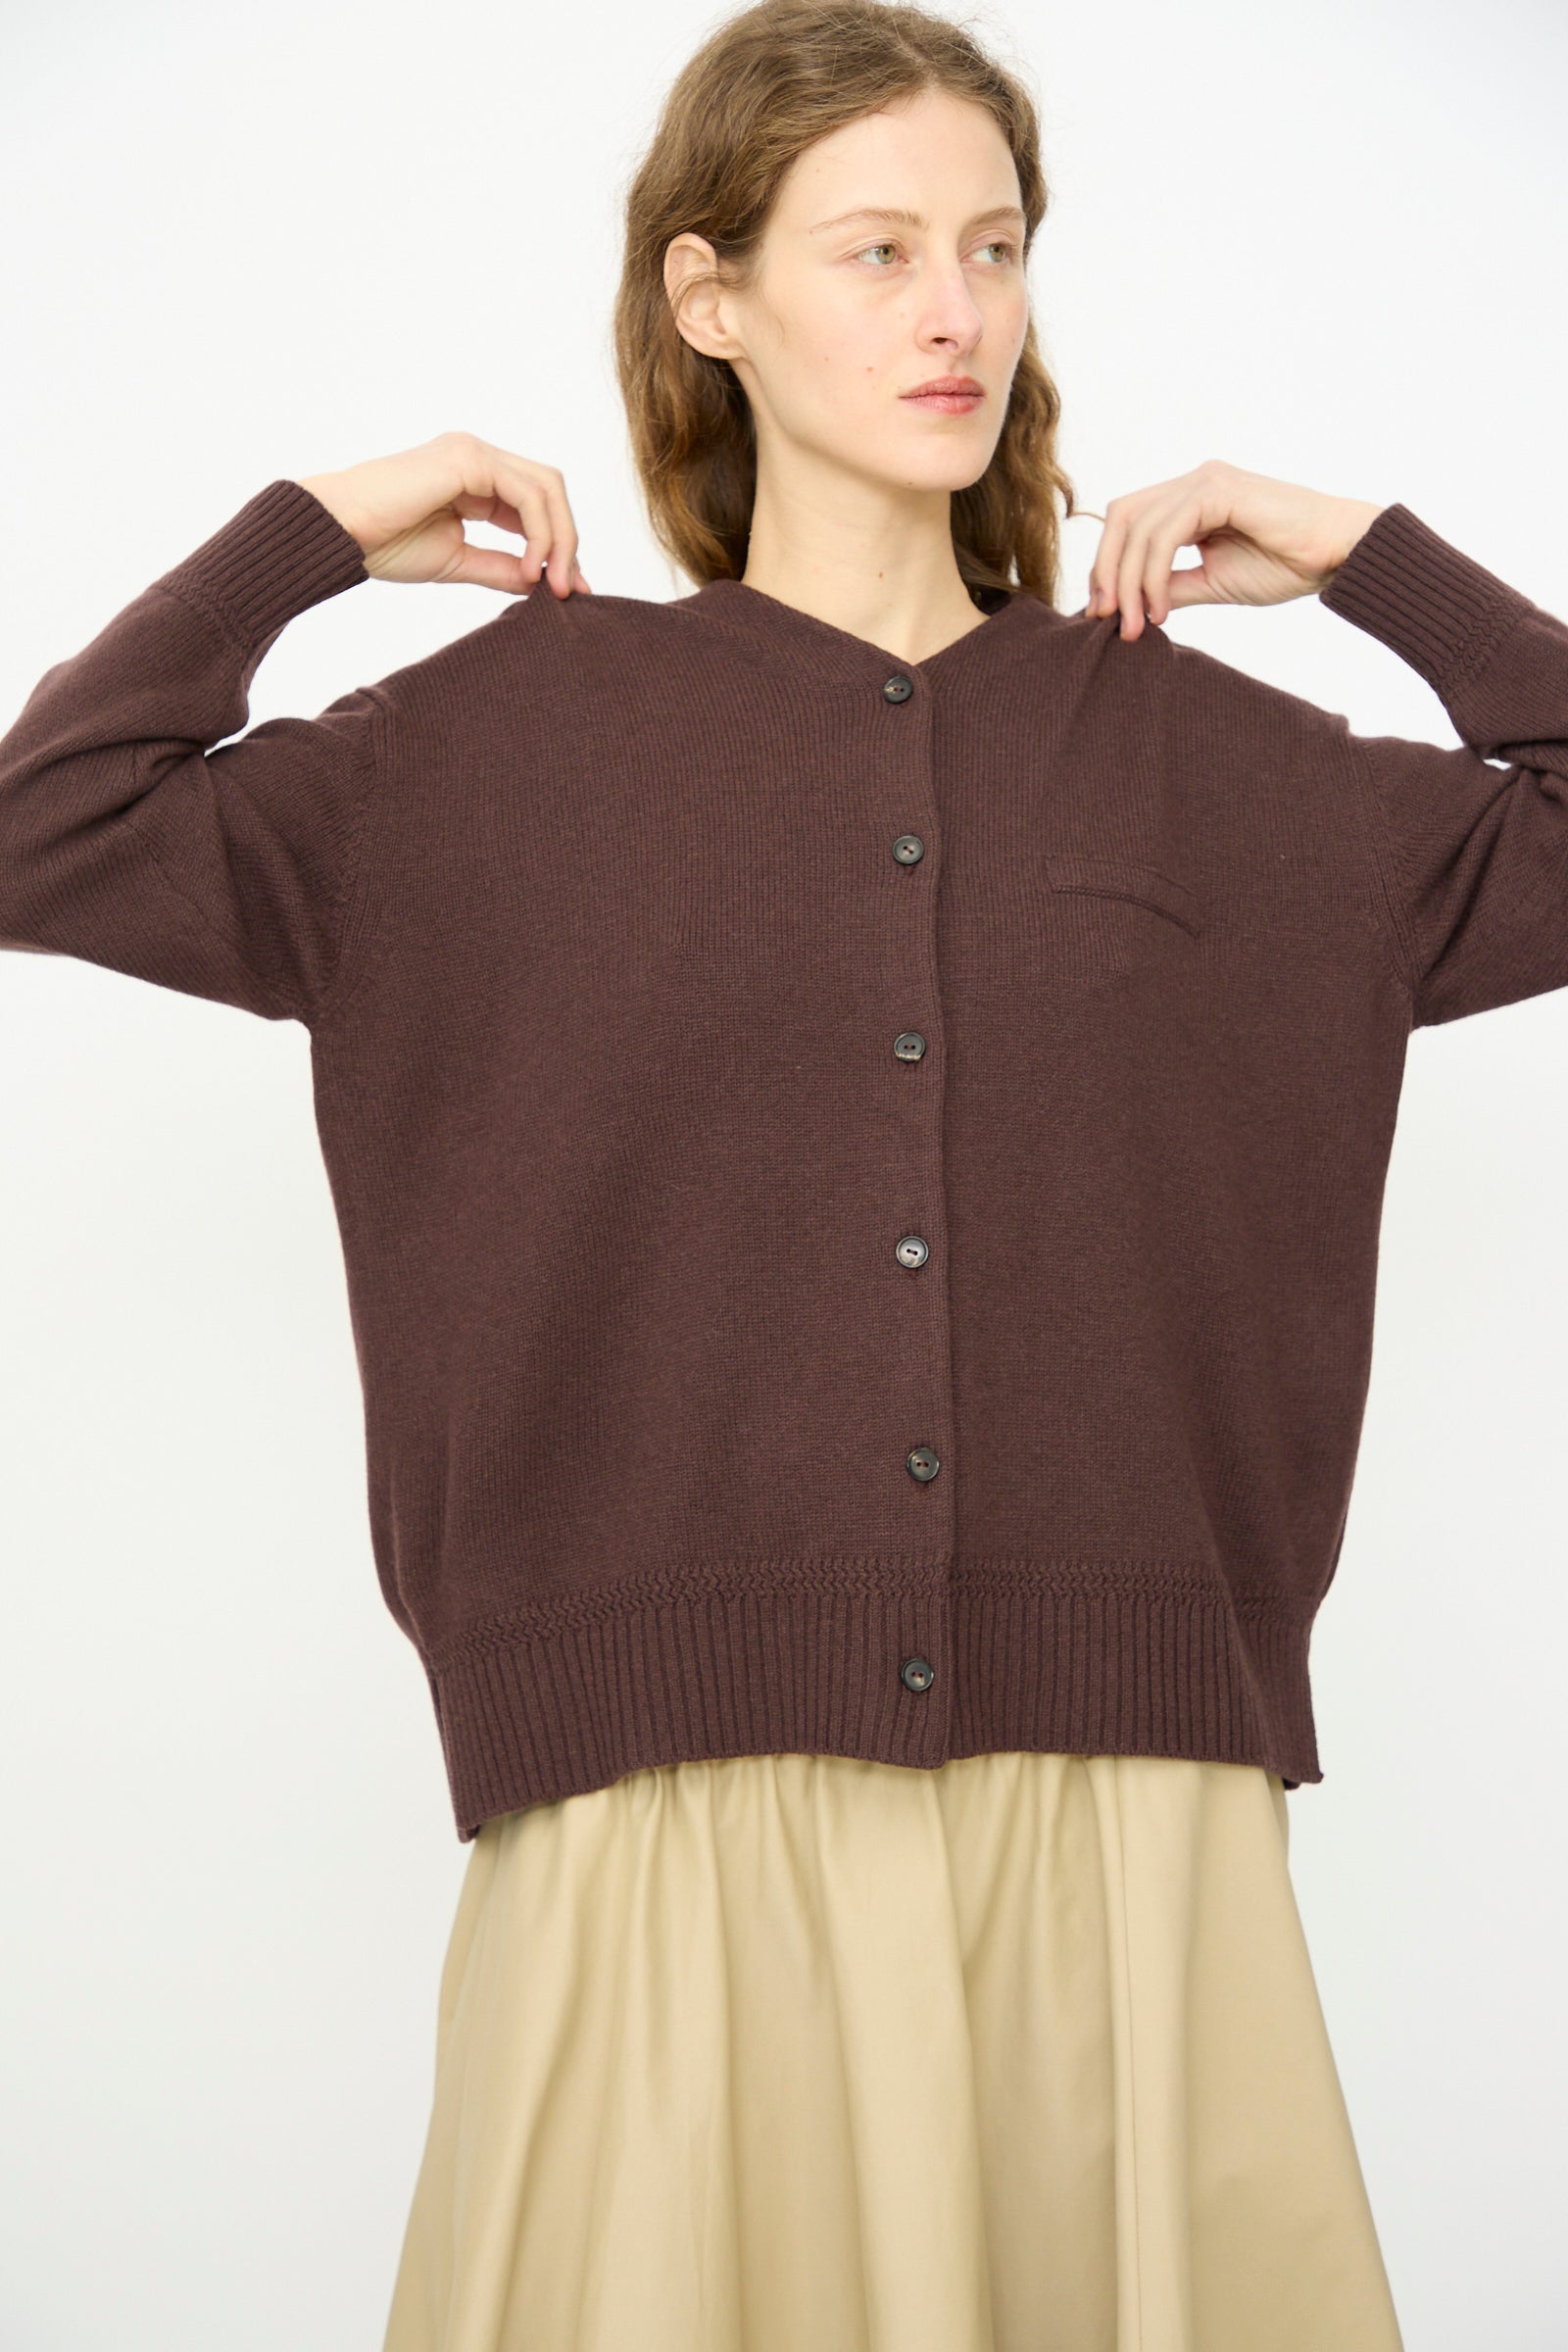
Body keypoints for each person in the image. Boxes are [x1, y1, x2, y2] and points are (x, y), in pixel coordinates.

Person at [8, 3, 1565, 2346]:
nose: (950, 313)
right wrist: (311, 534)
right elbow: (54, 823)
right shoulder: (485, 757)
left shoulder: (1219, 767)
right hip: (651, 1833)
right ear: (704, 296)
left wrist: (1376, 565)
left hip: (1118, 1844)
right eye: (872, 251)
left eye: (991, 249)